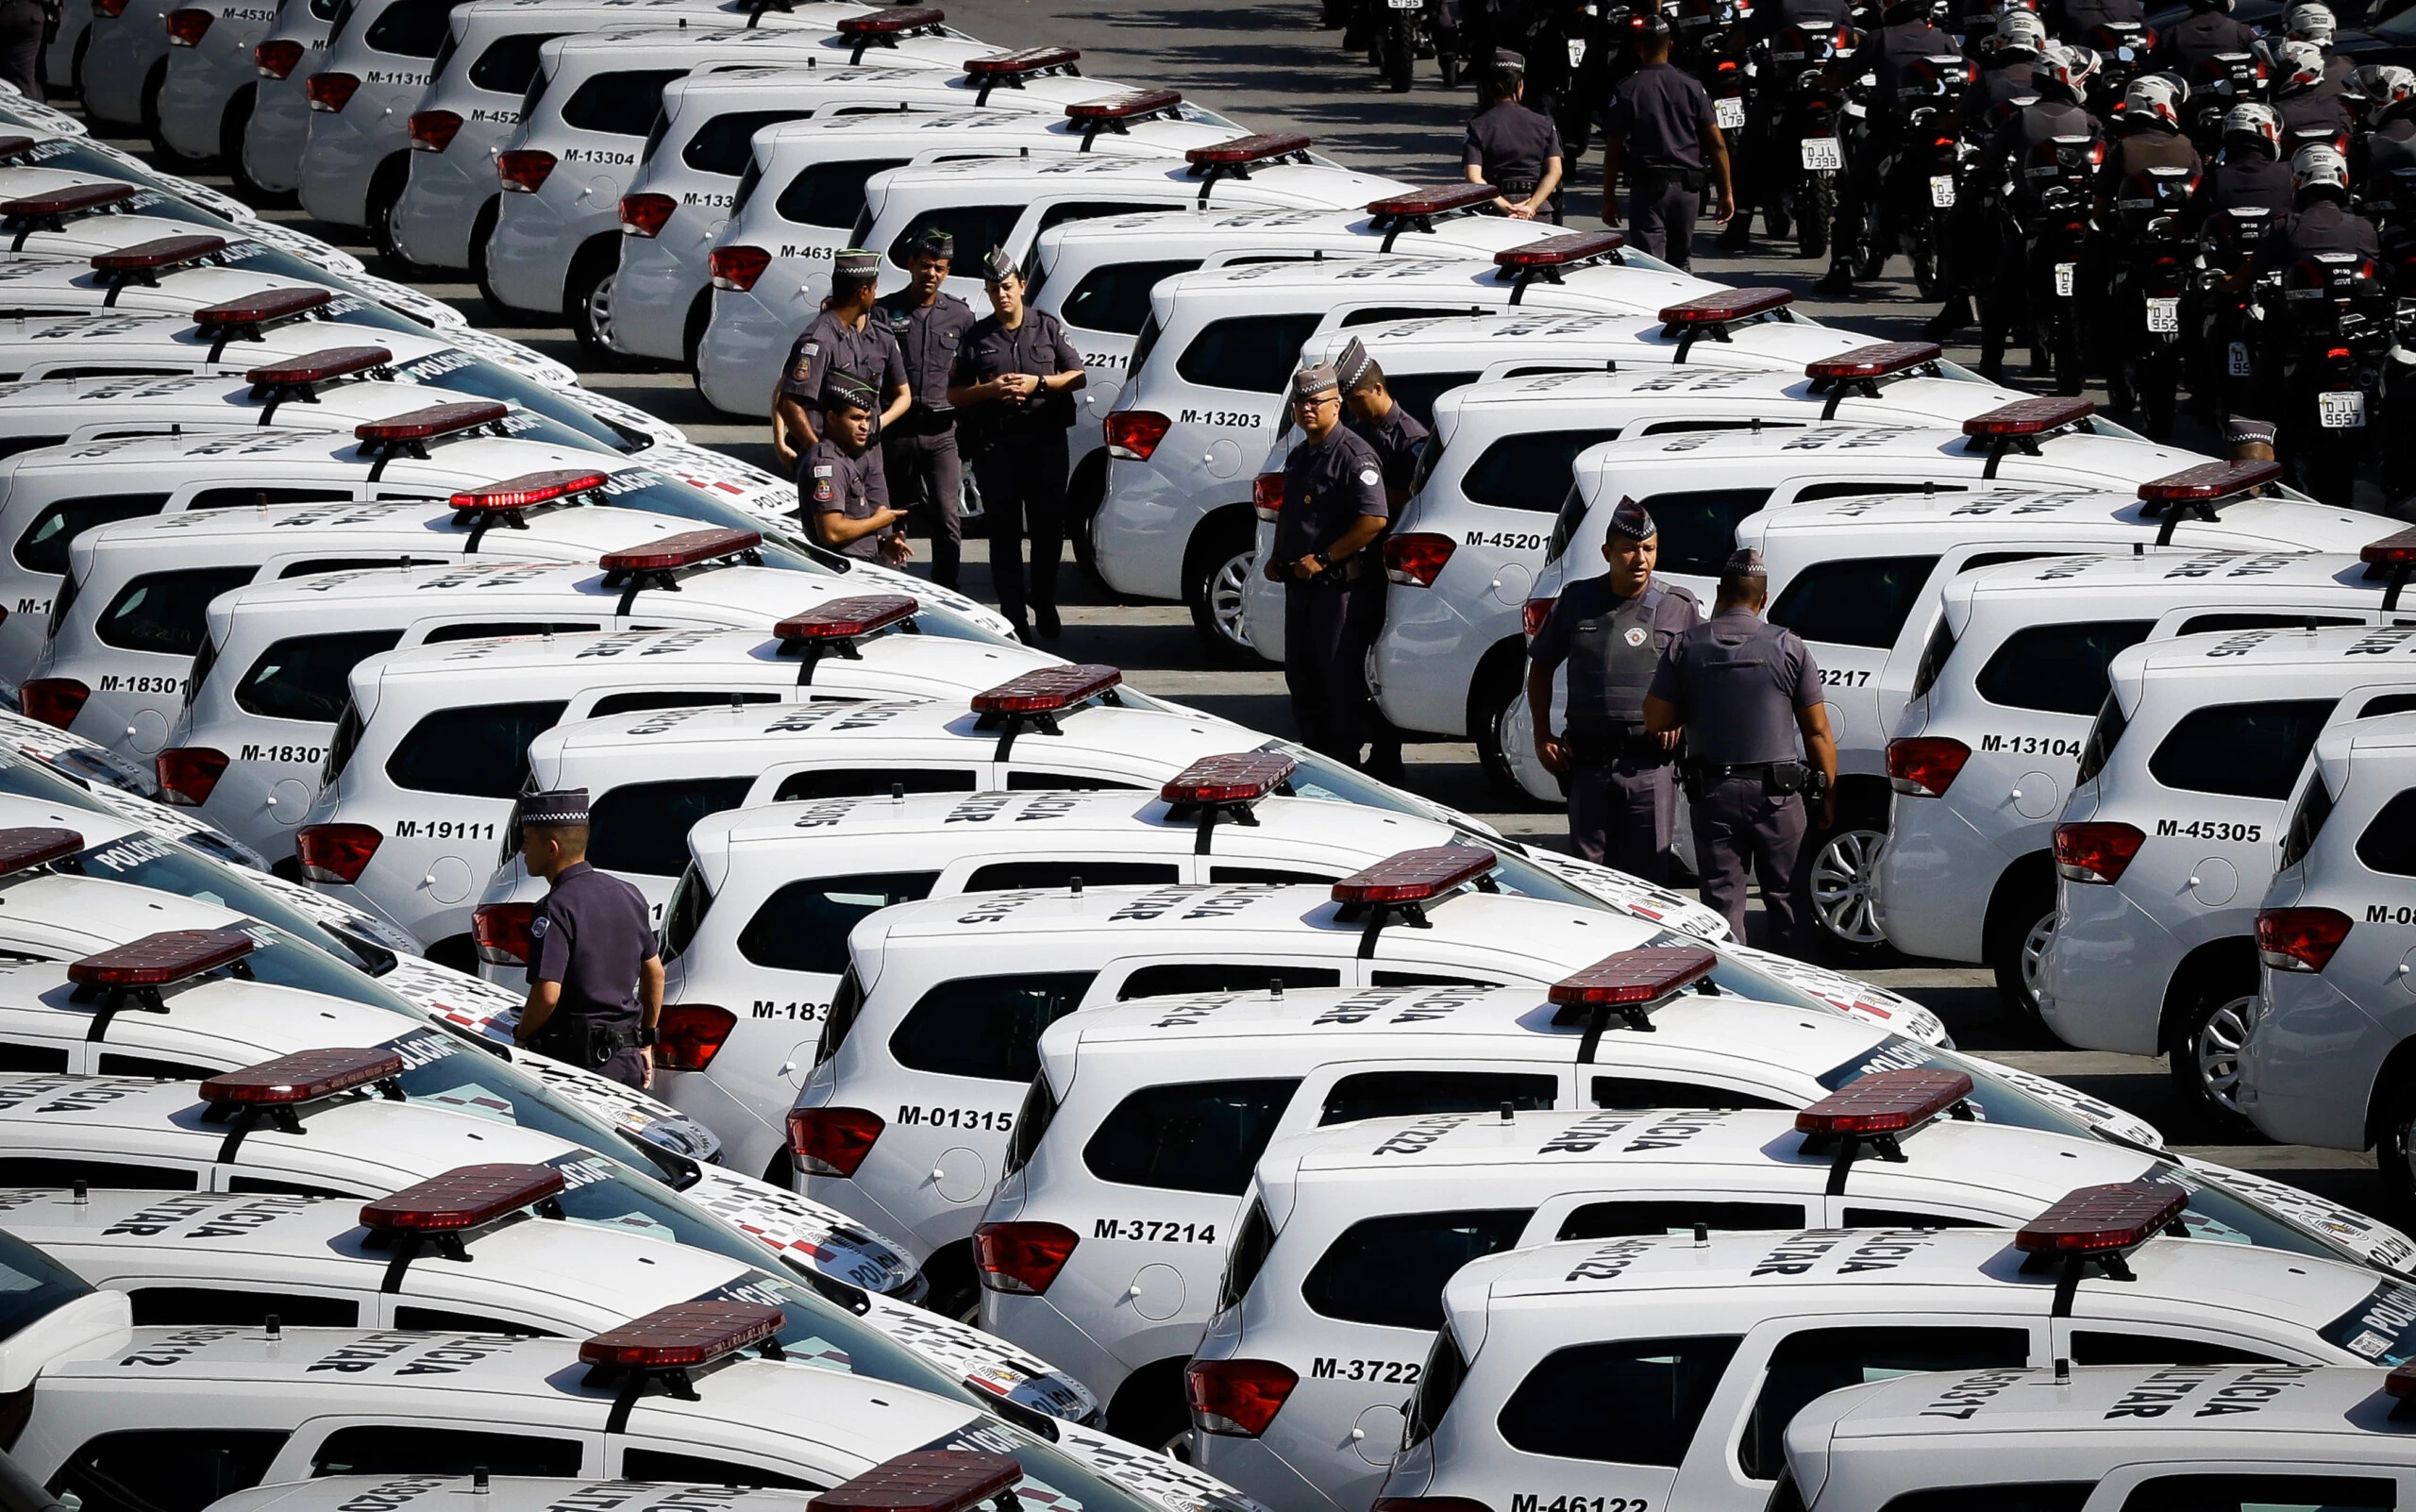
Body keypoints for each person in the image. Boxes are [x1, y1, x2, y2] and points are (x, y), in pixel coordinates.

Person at [1643, 548, 1837, 956]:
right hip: (1779, 798)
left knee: (1721, 901)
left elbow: (1657, 720)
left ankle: (1733, 989)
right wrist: (1828, 793)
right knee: (1787, 898)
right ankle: (1796, 993)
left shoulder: (1686, 647)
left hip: (1714, 793)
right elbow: (1817, 731)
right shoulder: (1788, 646)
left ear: (1719, 593)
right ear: (1762, 599)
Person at [1526, 499, 1699, 880]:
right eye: (1629, 549)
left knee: (1649, 879)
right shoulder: (1577, 601)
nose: (1640, 559)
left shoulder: (1677, 605)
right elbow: (1540, 667)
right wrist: (1542, 735)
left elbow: (1698, 678)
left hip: (1650, 767)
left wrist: (1681, 717)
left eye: (1649, 549)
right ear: (1607, 552)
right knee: (1590, 878)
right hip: (1588, 765)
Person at [948, 246, 1085, 642]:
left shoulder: (1047, 327)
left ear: (1022, 286)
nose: (1002, 295)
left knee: (1047, 530)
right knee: (1004, 533)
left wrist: (1039, 383)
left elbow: (1077, 376)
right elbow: (955, 394)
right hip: (997, 447)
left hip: (1045, 442)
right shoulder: (977, 337)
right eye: (994, 290)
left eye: (1007, 287)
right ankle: (1013, 615)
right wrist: (990, 390)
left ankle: (1043, 598)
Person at [1267, 361, 1391, 768]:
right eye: (1301, 402)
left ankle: (1343, 767)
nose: (1306, 409)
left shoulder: (1353, 456)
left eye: (1316, 401)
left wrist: (1323, 558)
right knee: (1302, 681)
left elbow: (1373, 520)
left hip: (1338, 593)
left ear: (1336, 405)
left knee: (1337, 685)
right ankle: (1316, 761)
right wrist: (1276, 557)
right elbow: (1293, 515)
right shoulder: (1302, 454)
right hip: (1301, 591)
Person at [512, 788, 662, 1091]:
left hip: (579, 1066)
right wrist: (646, 1041)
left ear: (552, 848)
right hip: (626, 1057)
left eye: (527, 841)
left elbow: (548, 994)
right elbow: (655, 973)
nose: (523, 850)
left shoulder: (554, 907)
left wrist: (521, 1038)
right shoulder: (628, 893)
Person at [1816, 0, 1957, 294]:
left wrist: (1824, 82)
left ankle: (1840, 265)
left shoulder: (1880, 38)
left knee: (1853, 192)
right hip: (1936, 134)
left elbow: (1845, 76)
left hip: (1892, 131)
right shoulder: (1945, 40)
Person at [875, 228, 977, 590]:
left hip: (941, 433)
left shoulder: (960, 316)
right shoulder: (884, 312)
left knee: (948, 513)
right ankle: (891, 581)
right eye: (926, 265)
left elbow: (969, 374)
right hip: (896, 431)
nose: (931, 274)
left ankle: (947, 587)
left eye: (940, 268)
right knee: (893, 511)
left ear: (947, 272)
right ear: (911, 265)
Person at [1598, 12, 1732, 271]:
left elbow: (1613, 149)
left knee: (1651, 268)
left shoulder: (1627, 89)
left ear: (1638, 47)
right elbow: (1717, 144)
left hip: (1649, 192)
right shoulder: (1692, 86)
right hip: (1688, 192)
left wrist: (1609, 198)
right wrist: (1726, 193)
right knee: (1681, 264)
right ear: (1670, 45)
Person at [771, 247, 909, 498]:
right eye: (874, 289)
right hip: (833, 460)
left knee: (878, 531)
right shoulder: (820, 339)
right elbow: (788, 401)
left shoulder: (857, 334)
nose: (875, 297)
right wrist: (817, 451)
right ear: (863, 292)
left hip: (866, 456)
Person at [802, 374, 909, 564]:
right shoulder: (828, 464)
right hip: (842, 568)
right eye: (856, 418)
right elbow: (831, 532)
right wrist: (879, 521)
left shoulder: (845, 456)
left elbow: (852, 522)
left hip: (860, 562)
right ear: (832, 418)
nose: (865, 427)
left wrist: (883, 543)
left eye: (868, 419)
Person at [1463, 49, 1567, 221]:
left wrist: (1505, 207)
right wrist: (1530, 206)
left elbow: (1473, 177)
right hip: (1538, 212)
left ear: (1489, 88)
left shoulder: (1478, 125)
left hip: (1493, 212)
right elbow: (1555, 171)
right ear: (1520, 86)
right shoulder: (1544, 123)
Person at [2155, 0, 2259, 79]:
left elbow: (2151, 73)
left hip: (2189, 104)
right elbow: (2265, 68)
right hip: (2234, 105)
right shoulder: (2242, 31)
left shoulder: (2171, 34)